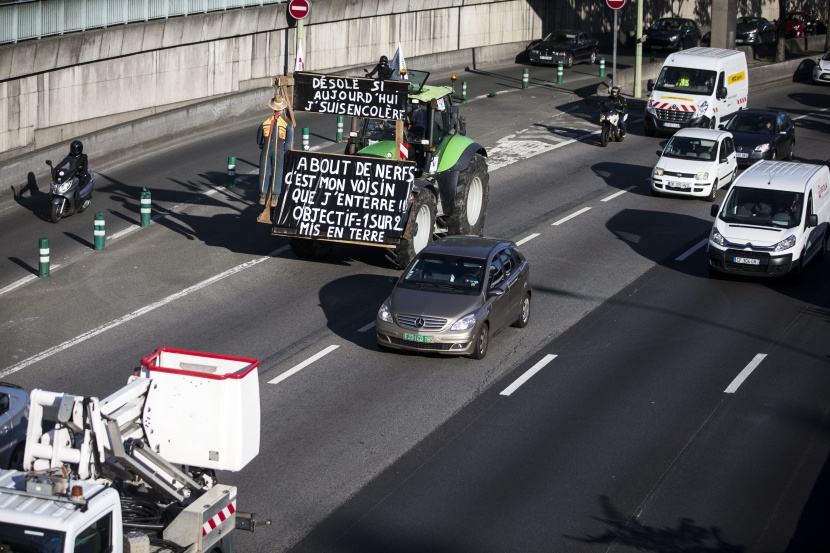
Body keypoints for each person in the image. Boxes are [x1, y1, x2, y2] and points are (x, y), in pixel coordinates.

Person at [257, 95, 293, 207]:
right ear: (282, 110)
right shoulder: (285, 125)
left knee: (264, 172)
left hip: (266, 151)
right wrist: (285, 148)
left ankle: (263, 195)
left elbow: (259, 140)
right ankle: (275, 196)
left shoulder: (265, 123)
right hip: (279, 152)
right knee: (277, 172)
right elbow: (288, 140)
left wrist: (262, 145)